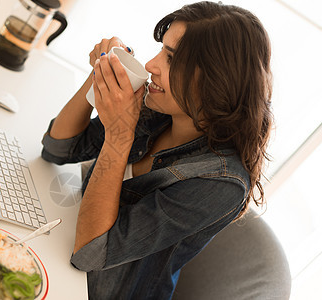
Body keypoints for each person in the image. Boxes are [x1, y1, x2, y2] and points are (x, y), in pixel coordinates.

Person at [41, 1, 273, 299]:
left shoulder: (221, 183)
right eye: (162, 49)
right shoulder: (159, 110)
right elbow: (57, 148)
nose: (151, 65)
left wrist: (119, 135)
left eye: (172, 59)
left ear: (217, 81)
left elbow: (89, 255)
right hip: (61, 245)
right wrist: (102, 71)